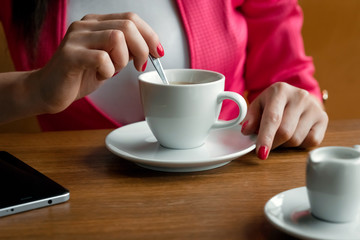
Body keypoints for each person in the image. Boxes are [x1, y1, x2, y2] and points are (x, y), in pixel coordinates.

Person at [0, 0, 328, 160]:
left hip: (226, 191)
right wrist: (35, 87)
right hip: (77, 198)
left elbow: (290, 81)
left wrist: (297, 107)